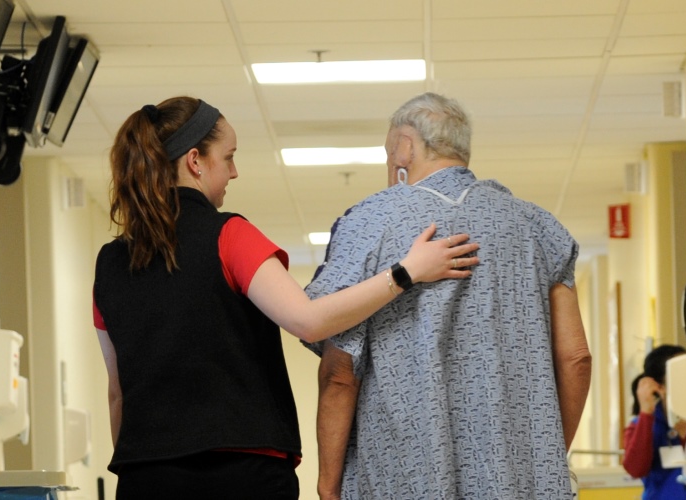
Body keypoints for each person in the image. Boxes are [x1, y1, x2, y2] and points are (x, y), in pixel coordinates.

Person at [91, 96, 480, 499]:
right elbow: (308, 320)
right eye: (228, 158)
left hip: (144, 479)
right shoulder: (228, 235)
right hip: (241, 474)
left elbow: (118, 392)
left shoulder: (109, 263)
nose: (234, 172)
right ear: (195, 161)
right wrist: (407, 272)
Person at [308, 92, 592, 499]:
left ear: (406, 146)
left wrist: (328, 486)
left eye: (389, 153)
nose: (389, 164)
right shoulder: (539, 228)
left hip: (400, 477)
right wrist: (542, 457)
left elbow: (340, 372)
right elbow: (576, 358)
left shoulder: (369, 222)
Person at [622, 345, 686, 500]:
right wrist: (646, 412)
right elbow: (635, 469)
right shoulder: (640, 424)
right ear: (659, 386)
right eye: (681, 373)